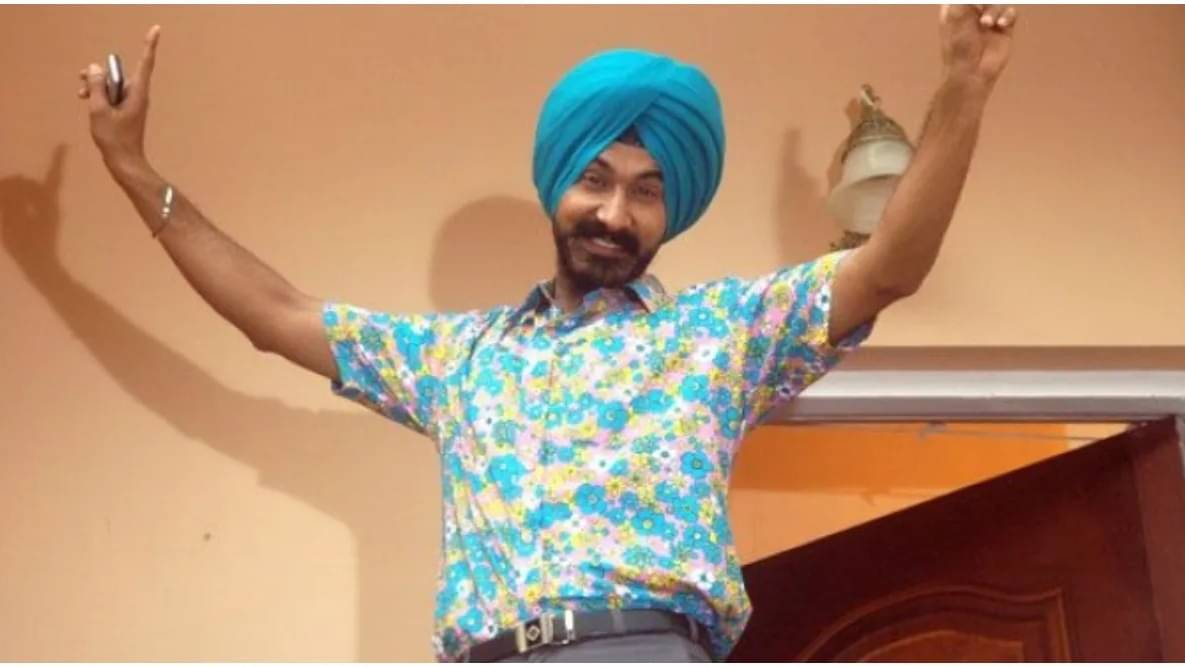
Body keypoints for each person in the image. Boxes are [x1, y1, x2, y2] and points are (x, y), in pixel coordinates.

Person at [77, 4, 1016, 662]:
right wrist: (133, 169)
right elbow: (276, 315)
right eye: (595, 179)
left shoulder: (717, 334)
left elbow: (886, 268)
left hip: (646, 648)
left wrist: (963, 87)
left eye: (646, 191)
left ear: (670, 210)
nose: (614, 212)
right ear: (557, 180)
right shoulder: (458, 359)